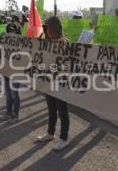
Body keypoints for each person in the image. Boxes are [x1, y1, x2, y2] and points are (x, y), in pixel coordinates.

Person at [37, 16, 70, 151]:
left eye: (48, 27)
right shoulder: (46, 42)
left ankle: (64, 138)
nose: (47, 30)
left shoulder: (66, 43)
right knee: (51, 109)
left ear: (55, 28)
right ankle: (50, 133)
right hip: (49, 82)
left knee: (62, 112)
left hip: (61, 83)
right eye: (46, 28)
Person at [0, 18, 21, 124]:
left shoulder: (23, 43)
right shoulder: (5, 42)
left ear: (17, 32)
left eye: (13, 31)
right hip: (6, 71)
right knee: (8, 94)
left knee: (14, 94)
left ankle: (15, 114)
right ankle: (8, 112)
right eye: (9, 31)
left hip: (16, 72)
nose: (11, 33)